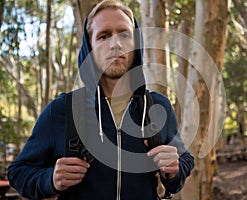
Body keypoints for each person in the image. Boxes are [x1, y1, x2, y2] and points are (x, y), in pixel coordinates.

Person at [7, 0, 194, 199]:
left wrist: (174, 170)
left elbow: (185, 161)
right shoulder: (62, 111)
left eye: (124, 34)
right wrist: (50, 179)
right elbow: (18, 173)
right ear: (90, 46)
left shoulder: (157, 106)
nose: (116, 44)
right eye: (104, 36)